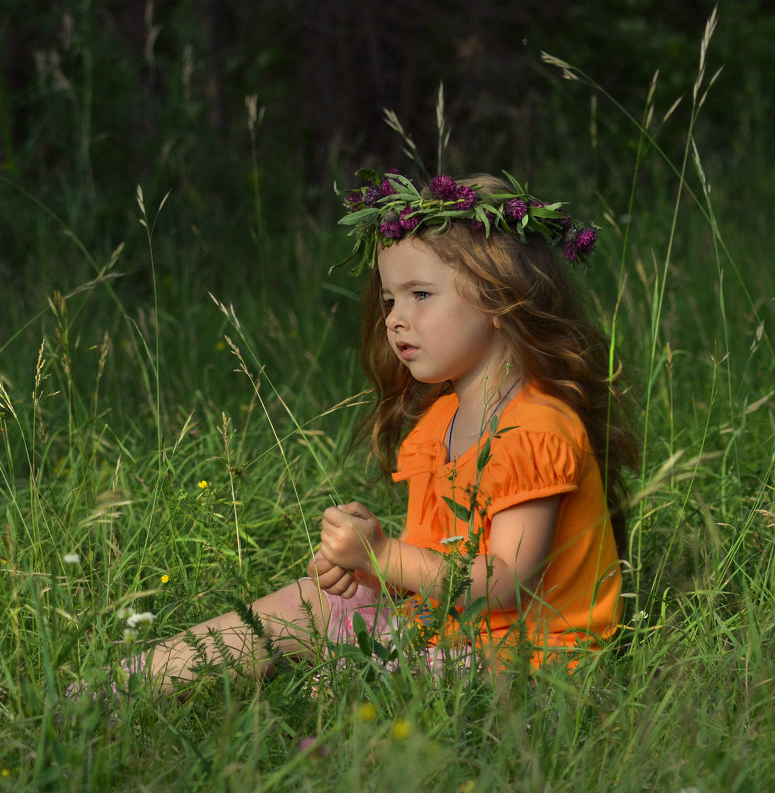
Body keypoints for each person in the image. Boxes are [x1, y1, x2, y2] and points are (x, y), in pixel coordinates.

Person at [69, 169, 639, 700]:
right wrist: (372, 566)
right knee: (310, 601)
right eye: (390, 299)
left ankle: (335, 711)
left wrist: (385, 554)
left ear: (498, 296)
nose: (393, 318)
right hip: (454, 631)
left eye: (420, 295)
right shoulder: (441, 421)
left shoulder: (536, 425)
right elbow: (437, 566)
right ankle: (119, 689)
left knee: (352, 682)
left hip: (533, 656)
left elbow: (509, 582)